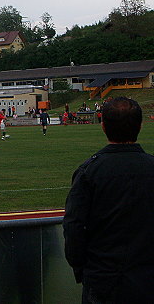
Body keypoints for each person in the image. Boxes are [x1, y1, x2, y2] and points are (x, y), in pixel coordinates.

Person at [63, 97, 154, 303]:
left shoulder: (89, 172)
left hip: (103, 281)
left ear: (103, 126)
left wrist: (82, 269)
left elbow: (73, 228)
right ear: (140, 126)